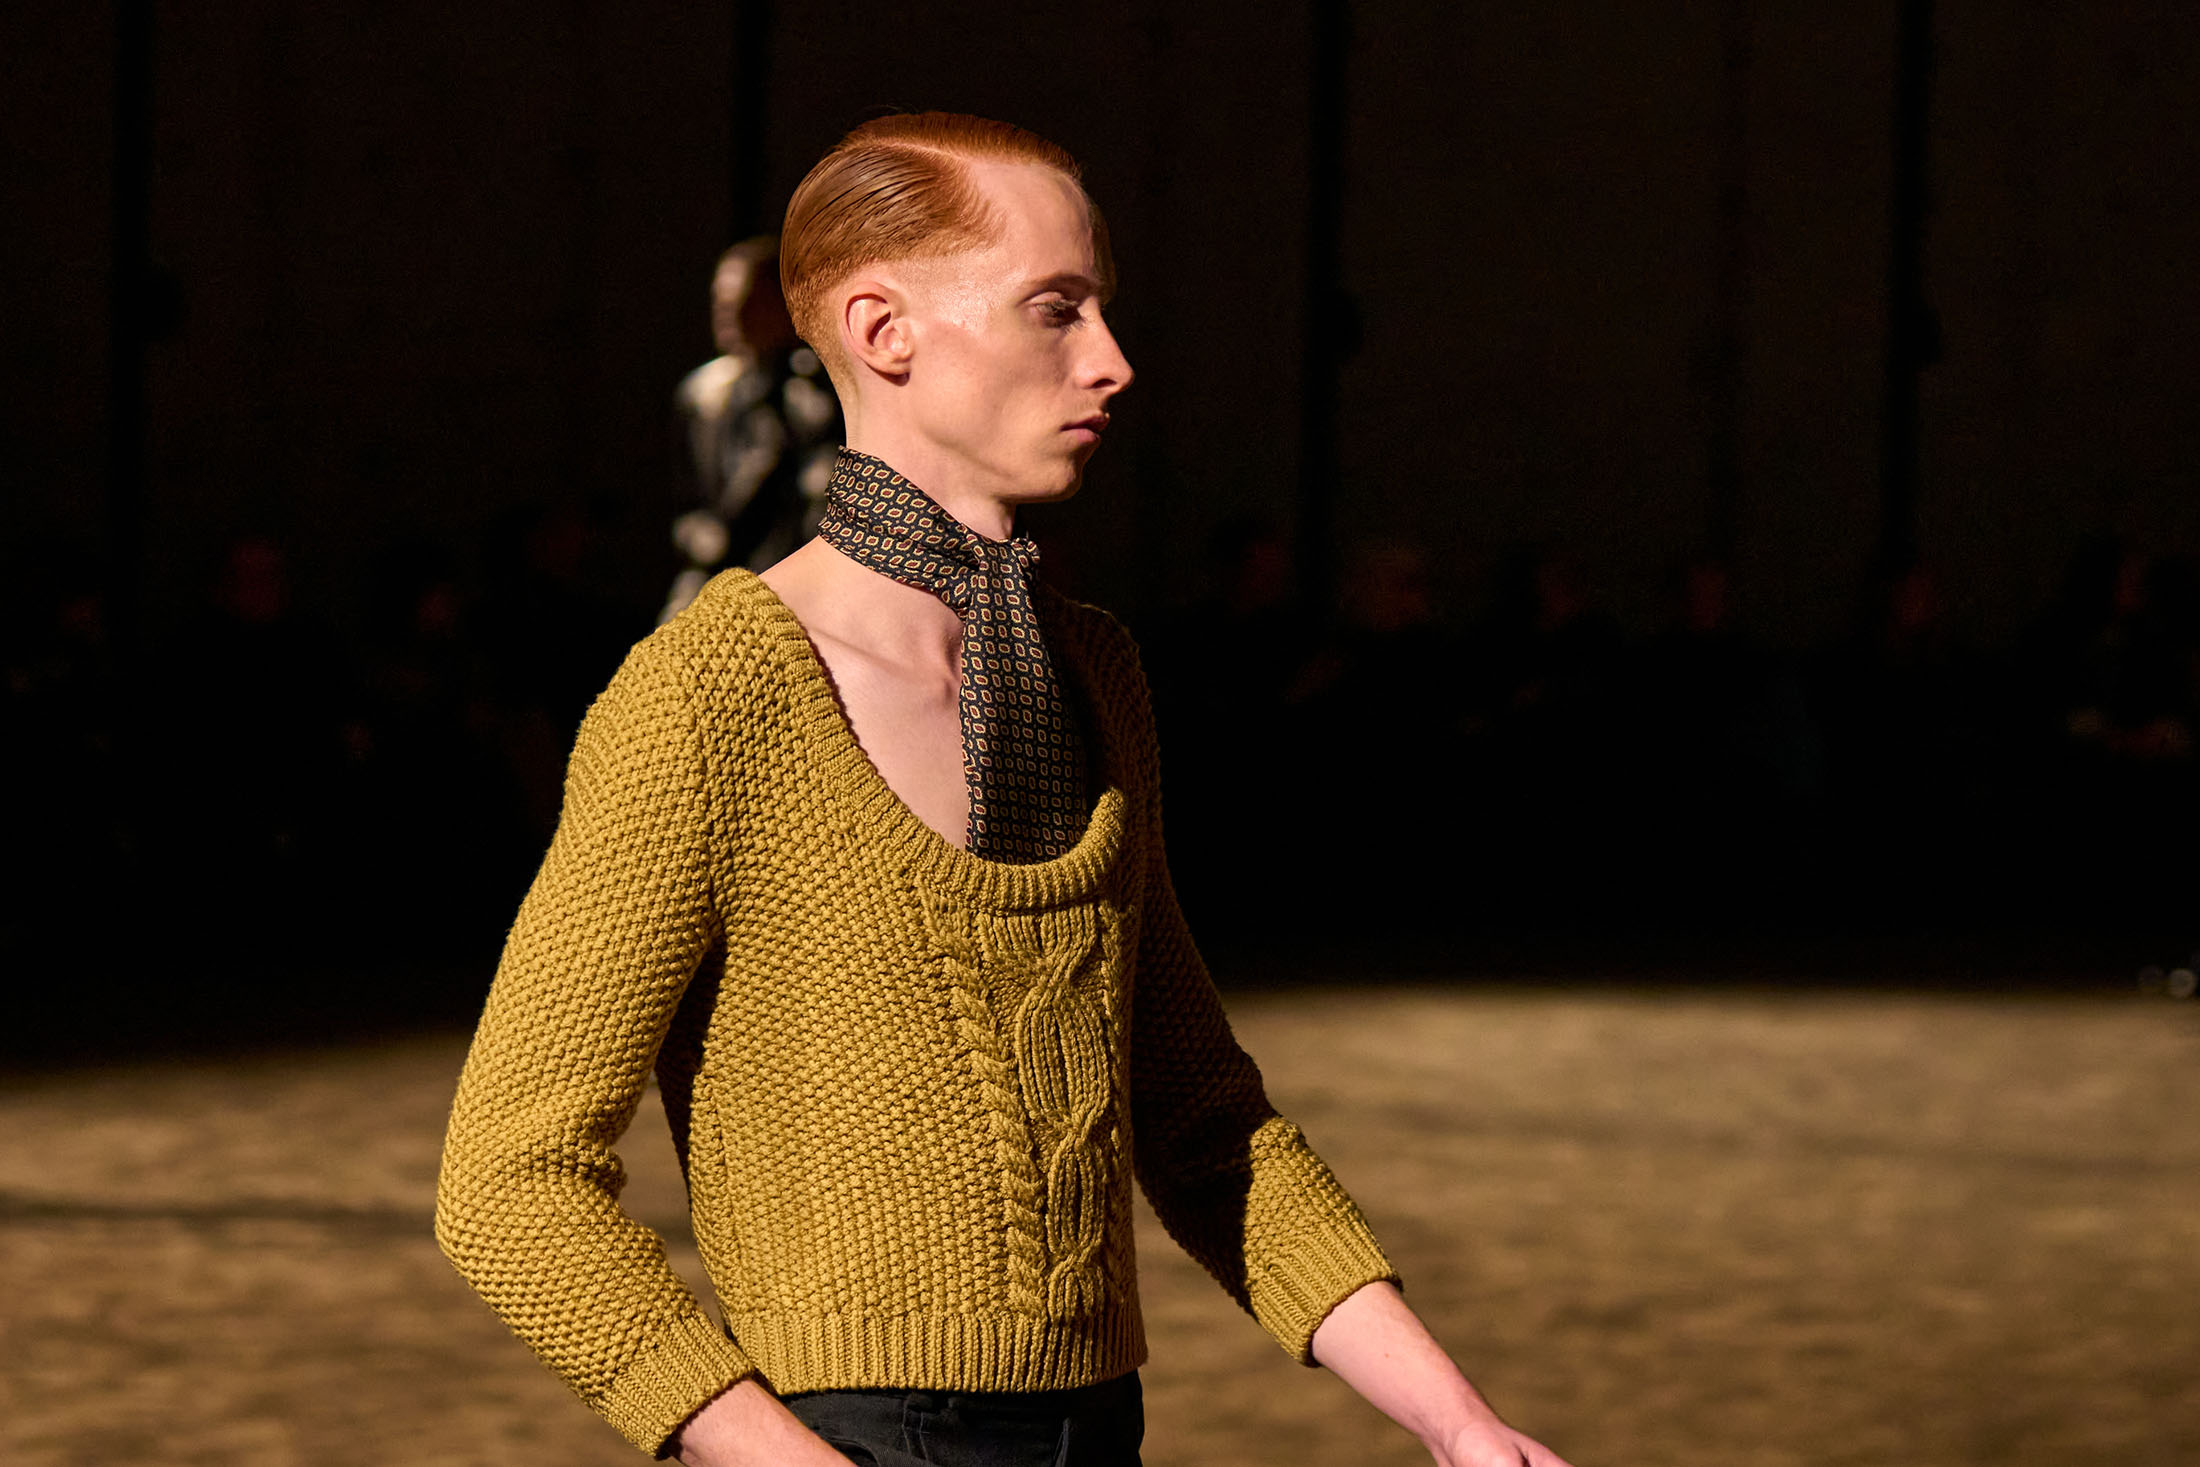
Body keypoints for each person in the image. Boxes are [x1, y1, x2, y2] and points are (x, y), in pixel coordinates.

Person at [436, 112, 1573, 1467]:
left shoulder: (1092, 672)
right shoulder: (710, 696)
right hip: (845, 1431)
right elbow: (509, 1184)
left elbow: (1205, 1121)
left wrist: (1460, 1423)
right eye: (1056, 308)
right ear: (883, 330)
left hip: (1101, 1428)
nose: (1112, 359)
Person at [660, 236, 843, 624]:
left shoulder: (817, 395)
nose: (730, 313)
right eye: (722, 301)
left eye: (747, 301)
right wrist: (700, 538)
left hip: (798, 578)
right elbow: (687, 499)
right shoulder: (702, 396)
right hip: (720, 570)